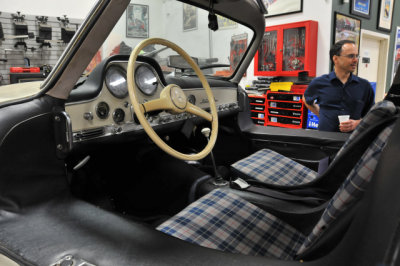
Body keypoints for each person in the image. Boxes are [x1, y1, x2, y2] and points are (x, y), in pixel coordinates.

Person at [303, 40, 375, 132]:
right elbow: (306, 99)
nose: (356, 60)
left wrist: (357, 123)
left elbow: (372, 116)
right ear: (335, 59)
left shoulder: (365, 86)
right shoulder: (319, 83)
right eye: (351, 56)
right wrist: (321, 114)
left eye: (357, 56)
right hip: (325, 139)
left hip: (352, 140)